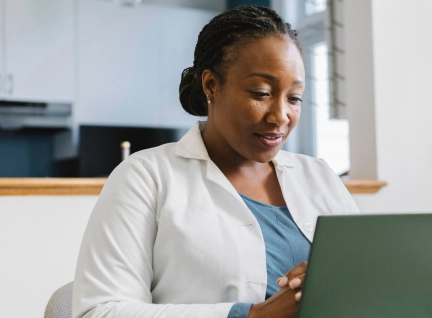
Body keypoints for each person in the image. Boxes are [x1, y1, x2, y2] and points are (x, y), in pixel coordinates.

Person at [72, 6, 359, 318]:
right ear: (211, 85)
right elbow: (99, 311)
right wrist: (253, 315)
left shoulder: (318, 176)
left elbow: (369, 278)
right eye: (261, 93)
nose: (280, 117)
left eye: (294, 98)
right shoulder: (144, 177)